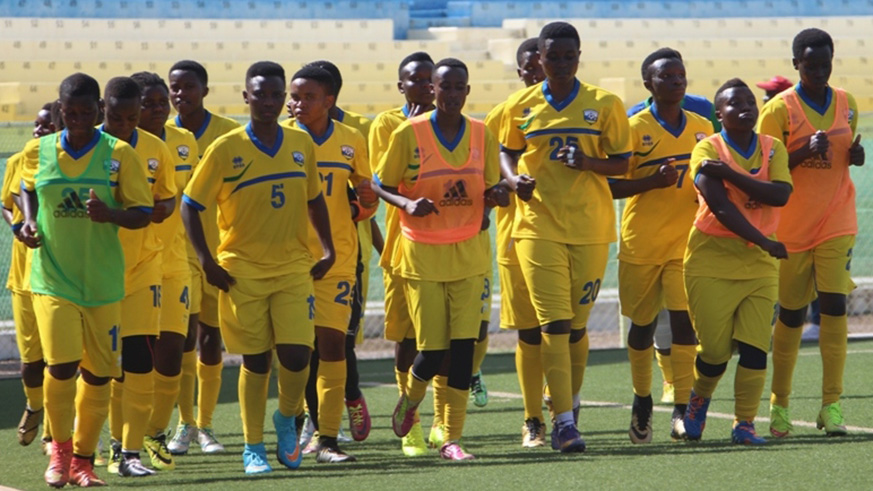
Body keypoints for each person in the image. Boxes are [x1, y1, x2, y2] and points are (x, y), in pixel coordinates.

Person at [182, 61, 335, 474]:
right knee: (255, 362)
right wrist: (206, 261)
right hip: (241, 272)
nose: (267, 101)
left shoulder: (301, 143)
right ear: (246, 97)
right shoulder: (225, 148)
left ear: (283, 98)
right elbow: (190, 206)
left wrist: (328, 248)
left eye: (274, 95)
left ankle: (286, 418)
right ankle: (253, 448)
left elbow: (314, 197)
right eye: (259, 94)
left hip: (292, 268)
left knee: (298, 356)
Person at [499, 21, 631, 453]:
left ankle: (566, 406)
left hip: (590, 229)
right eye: (551, 56)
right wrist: (513, 176)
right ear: (538, 58)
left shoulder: (604, 104)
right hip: (537, 227)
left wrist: (589, 164)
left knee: (575, 329)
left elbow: (623, 164)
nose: (559, 63)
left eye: (567, 56)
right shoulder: (520, 105)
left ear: (579, 57)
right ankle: (560, 423)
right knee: (551, 325)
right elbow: (507, 150)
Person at [19, 72, 154, 487]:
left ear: (99, 111)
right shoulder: (37, 151)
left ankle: (83, 460)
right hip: (52, 280)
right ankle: (58, 454)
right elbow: (26, 189)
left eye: (85, 112)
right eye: (70, 112)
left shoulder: (120, 155)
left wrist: (110, 214)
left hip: (103, 283)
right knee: (60, 367)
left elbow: (143, 212)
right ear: (61, 111)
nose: (78, 119)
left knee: (98, 374)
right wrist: (26, 222)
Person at [378, 57, 505, 461]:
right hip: (422, 253)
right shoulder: (408, 133)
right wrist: (406, 203)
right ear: (431, 89)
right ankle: (411, 404)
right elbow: (379, 184)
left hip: (469, 253)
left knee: (464, 350)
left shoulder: (482, 133)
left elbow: (488, 189)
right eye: (443, 87)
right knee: (431, 352)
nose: (451, 95)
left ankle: (452, 438)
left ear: (467, 91)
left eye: (458, 88)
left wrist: (499, 196)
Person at [758, 28, 864, 438]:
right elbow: (763, 170)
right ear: (795, 64)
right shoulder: (779, 110)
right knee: (791, 315)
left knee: (835, 305)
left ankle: (831, 404)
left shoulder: (845, 103)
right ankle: (780, 404)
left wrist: (855, 156)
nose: (818, 71)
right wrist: (802, 152)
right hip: (790, 228)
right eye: (810, 64)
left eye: (825, 64)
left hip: (837, 220)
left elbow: (845, 153)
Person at [610, 48, 714, 444]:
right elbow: (608, 185)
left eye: (680, 75)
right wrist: (650, 182)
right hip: (642, 243)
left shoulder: (704, 126)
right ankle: (642, 398)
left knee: (685, 324)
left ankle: (681, 408)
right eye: (666, 76)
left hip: (687, 242)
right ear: (648, 84)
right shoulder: (633, 127)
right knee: (642, 326)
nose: (676, 81)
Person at [680, 78, 792, 445]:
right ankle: (699, 399)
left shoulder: (772, 148)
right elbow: (722, 207)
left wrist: (730, 174)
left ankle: (744, 423)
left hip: (760, 262)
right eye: (734, 103)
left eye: (749, 100)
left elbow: (779, 195)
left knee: (757, 347)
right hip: (711, 259)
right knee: (714, 353)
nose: (745, 106)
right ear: (718, 114)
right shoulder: (705, 149)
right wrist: (763, 240)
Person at [282, 65, 376, 462]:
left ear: (329, 101)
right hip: (287, 260)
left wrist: (367, 199)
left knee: (334, 345)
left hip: (337, 259)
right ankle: (293, 425)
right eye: (294, 96)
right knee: (295, 353)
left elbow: (365, 203)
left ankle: (327, 439)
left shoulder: (352, 140)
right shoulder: (282, 139)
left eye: (307, 97)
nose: (297, 104)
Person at [100, 76, 178, 477]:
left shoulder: (156, 148)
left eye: (132, 118)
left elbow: (168, 196)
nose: (126, 126)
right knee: (104, 366)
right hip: (97, 269)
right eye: (118, 117)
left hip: (145, 265)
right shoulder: (88, 147)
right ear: (103, 111)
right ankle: (107, 445)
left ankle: (129, 450)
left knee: (139, 359)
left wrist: (161, 208)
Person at [166, 60, 240, 455]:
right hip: (178, 256)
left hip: (221, 252)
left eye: (188, 87)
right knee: (182, 342)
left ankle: (207, 425)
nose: (181, 94)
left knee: (212, 340)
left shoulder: (228, 133)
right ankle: (185, 424)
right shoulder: (165, 136)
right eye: (174, 87)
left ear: (205, 91)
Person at [130, 71, 200, 473]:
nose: (158, 109)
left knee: (174, 351)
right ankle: (123, 440)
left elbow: (188, 200)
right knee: (131, 358)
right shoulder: (117, 147)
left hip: (175, 261)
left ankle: (155, 431)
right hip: (133, 263)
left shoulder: (184, 142)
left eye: (162, 102)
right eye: (149, 103)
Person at [368, 51, 435, 457]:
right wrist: (411, 128)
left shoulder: (458, 128)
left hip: (451, 247)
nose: (426, 86)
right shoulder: (388, 125)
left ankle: (445, 423)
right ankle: (412, 423)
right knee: (407, 337)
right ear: (401, 86)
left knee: (447, 340)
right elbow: (383, 184)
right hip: (404, 247)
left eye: (432, 80)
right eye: (417, 79)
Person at [484, 37, 546, 447]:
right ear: (521, 70)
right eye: (529, 67)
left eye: (540, 65)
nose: (536, 73)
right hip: (515, 234)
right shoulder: (503, 115)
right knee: (529, 331)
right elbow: (482, 171)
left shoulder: (584, 110)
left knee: (567, 327)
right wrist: (497, 193)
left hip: (570, 233)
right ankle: (533, 418)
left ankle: (564, 406)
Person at [4, 102, 58, 454]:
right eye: (36, 127)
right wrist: (17, 226)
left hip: (57, 277)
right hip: (23, 275)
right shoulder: (18, 160)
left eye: (45, 127)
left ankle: (53, 434)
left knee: (61, 360)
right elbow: (8, 202)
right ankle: (34, 405)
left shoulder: (67, 164)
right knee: (31, 360)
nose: (38, 132)